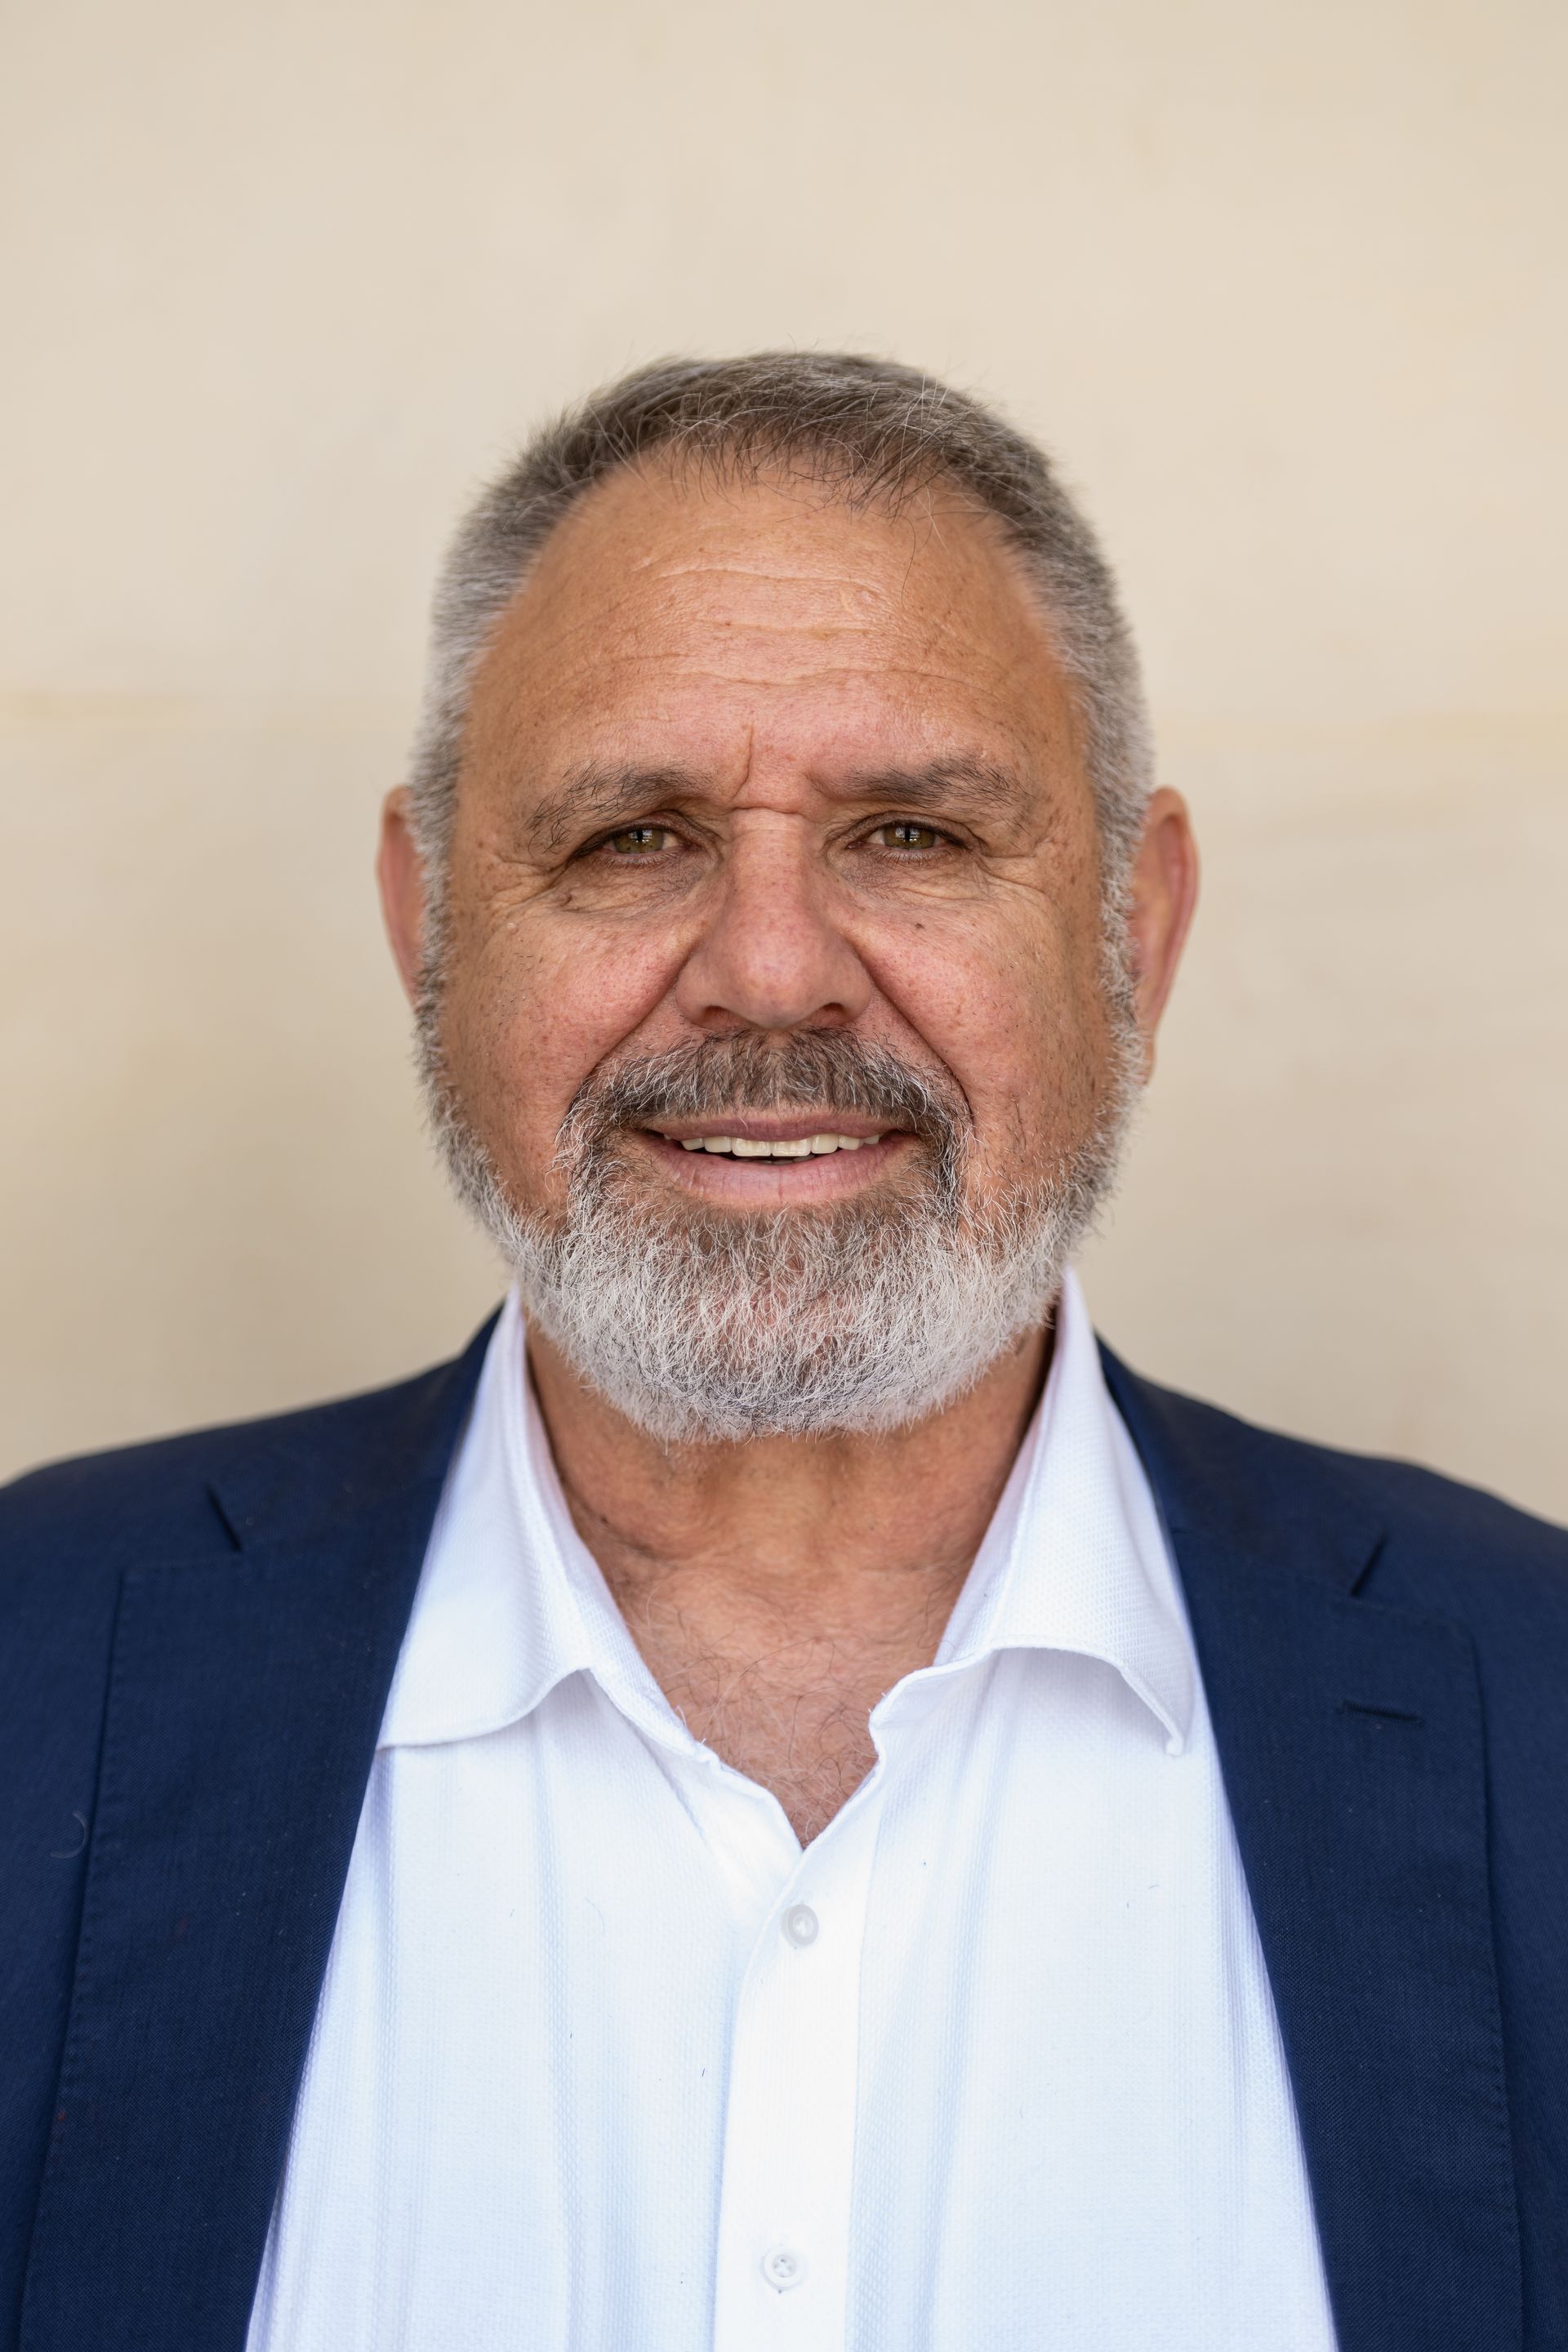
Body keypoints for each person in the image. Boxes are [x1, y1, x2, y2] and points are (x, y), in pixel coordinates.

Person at [2, 354, 1563, 2352]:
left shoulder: (1538, 1716)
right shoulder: (35, 1678)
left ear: (1137, 936)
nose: (765, 968)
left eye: (911, 836)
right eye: (632, 838)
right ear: (428, 935)